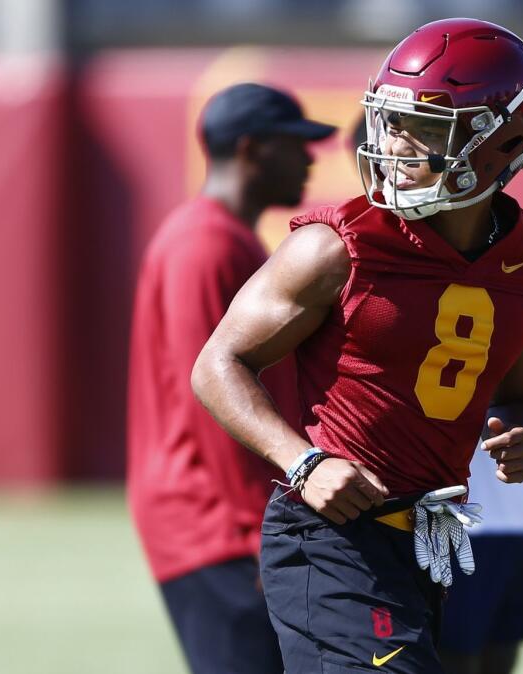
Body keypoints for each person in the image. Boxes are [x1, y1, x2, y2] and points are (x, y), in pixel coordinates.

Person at [191, 18, 523, 674]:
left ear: (505, 143)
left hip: (428, 542)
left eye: (426, 127)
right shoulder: (335, 246)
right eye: (392, 120)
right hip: (329, 537)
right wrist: (302, 462)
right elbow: (219, 363)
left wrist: (522, 436)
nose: (395, 143)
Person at [126, 82, 335, 674]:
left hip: (220, 521)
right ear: (253, 149)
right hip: (217, 524)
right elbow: (212, 395)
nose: (310, 158)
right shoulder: (205, 242)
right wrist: (259, 535)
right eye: (295, 144)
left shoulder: (224, 237)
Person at [439, 325, 523, 674]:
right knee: (453, 659)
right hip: (452, 521)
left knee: (500, 657)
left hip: (512, 518)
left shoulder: (517, 281)